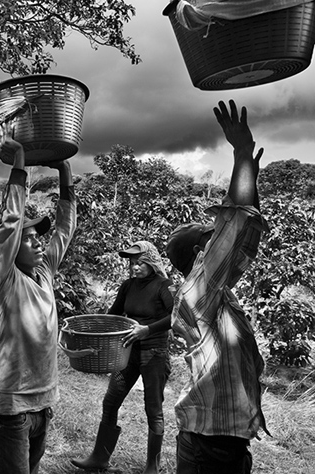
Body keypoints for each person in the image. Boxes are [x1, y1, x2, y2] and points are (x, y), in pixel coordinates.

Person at [166, 100, 269, 474]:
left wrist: (248, 175)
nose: (219, 237)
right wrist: (241, 153)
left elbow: (245, 235)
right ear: (199, 252)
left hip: (223, 441)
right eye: (211, 235)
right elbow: (239, 227)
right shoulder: (199, 291)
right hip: (207, 447)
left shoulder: (216, 293)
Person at [0, 126, 77, 474]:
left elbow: (64, 231)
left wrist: (65, 172)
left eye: (39, 236)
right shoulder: (4, 279)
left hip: (44, 402)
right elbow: (9, 226)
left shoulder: (45, 274)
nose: (39, 242)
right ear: (12, 250)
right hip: (12, 408)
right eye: (30, 238)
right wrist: (20, 163)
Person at [72, 241, 174, 474]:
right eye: (132, 263)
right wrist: (93, 332)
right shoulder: (128, 286)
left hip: (153, 353)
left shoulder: (164, 286)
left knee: (153, 409)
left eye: (140, 263)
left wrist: (146, 330)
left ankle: (152, 467)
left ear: (151, 262)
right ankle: (99, 458)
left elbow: (176, 316)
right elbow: (114, 314)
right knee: (110, 401)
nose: (134, 267)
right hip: (126, 353)